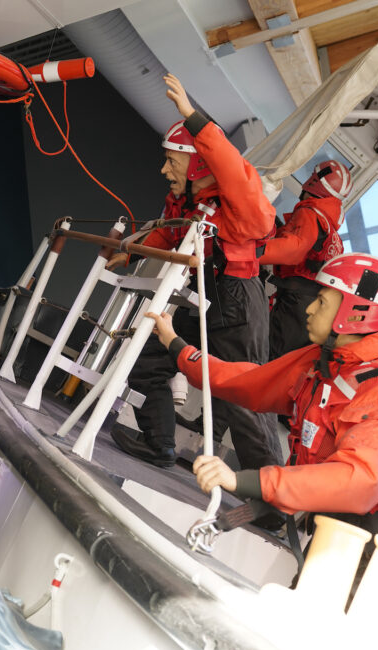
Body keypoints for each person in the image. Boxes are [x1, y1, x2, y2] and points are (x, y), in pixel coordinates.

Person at [146, 253, 378, 573]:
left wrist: (243, 481)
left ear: (356, 313)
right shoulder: (329, 363)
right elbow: (248, 383)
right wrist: (178, 347)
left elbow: (358, 481)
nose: (309, 309)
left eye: (321, 301)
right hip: (341, 525)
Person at [108, 73, 282, 471]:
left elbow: (235, 173)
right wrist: (130, 252)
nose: (164, 169)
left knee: (244, 398)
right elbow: (170, 236)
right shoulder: (185, 201)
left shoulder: (243, 207)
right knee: (149, 361)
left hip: (238, 305)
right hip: (200, 293)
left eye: (172, 160)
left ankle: (272, 503)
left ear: (197, 163)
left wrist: (193, 118)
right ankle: (160, 446)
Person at [262, 160, 350, 360]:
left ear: (313, 181)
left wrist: (248, 252)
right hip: (315, 308)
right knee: (285, 364)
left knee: (268, 358)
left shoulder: (310, 213)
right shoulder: (332, 231)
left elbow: (293, 249)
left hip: (295, 303)